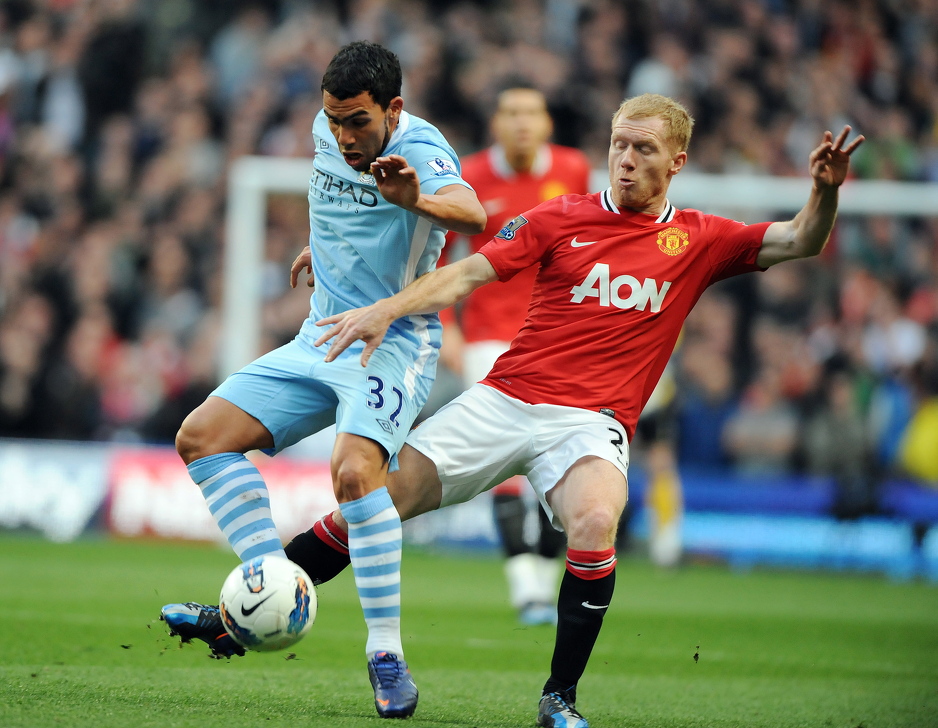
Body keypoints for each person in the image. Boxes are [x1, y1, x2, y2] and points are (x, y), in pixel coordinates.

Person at [173, 93, 862, 728]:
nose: (625, 159)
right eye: (619, 144)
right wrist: (387, 307)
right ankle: (245, 614)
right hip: (504, 401)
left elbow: (801, 239)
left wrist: (824, 192)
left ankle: (559, 698)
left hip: (590, 423)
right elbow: (466, 273)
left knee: (595, 519)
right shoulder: (561, 217)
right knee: (374, 501)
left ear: (676, 162)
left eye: (643, 149)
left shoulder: (700, 239)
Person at [158, 41, 485, 721]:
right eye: (333, 120)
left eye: (358, 122)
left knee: (355, 474)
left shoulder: (421, 147)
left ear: (393, 109)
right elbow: (342, 205)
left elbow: (473, 213)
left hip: (392, 342)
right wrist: (327, 249)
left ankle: (386, 654)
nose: (343, 136)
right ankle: (268, 583)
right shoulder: (326, 128)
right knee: (201, 437)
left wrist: (415, 198)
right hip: (320, 333)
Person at [443, 82, 592, 625]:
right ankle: (525, 589)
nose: (522, 122)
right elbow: (441, 254)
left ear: (548, 123)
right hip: (488, 338)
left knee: (558, 460)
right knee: (504, 457)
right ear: (496, 124)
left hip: (557, 336)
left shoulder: (573, 169)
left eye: (532, 113)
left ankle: (542, 584)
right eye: (511, 112)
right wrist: (447, 327)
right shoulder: (470, 175)